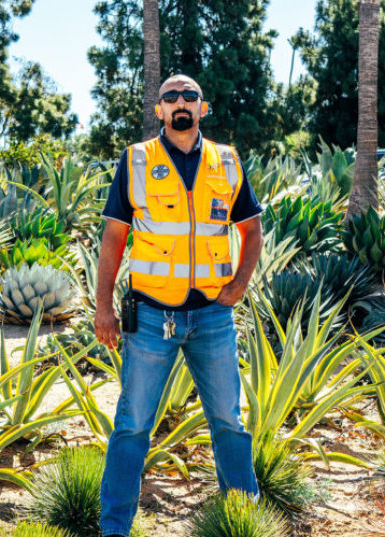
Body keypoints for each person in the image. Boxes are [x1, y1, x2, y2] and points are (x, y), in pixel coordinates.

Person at [94, 74, 264, 537]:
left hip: (212, 316)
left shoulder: (226, 161)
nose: (180, 102)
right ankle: (115, 530)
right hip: (150, 317)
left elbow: (252, 230)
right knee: (132, 426)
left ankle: (243, 523)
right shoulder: (135, 160)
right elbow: (114, 236)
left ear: (202, 108)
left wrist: (239, 285)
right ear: (160, 111)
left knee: (230, 420)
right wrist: (103, 306)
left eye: (189, 95)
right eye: (170, 96)